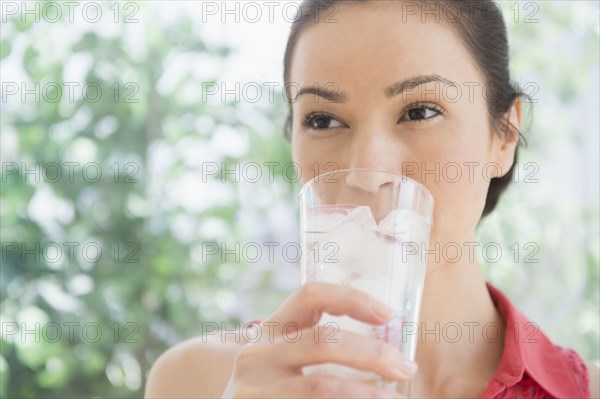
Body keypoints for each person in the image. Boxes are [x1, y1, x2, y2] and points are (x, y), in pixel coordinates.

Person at [145, 1, 599, 397]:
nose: (369, 173)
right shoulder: (201, 382)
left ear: (503, 136)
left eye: (420, 112)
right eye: (323, 120)